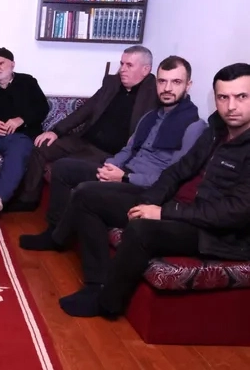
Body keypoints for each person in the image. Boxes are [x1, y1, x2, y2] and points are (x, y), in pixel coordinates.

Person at [59, 63, 250, 319]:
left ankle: (107, 304)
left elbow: (234, 212)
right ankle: (97, 284)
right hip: (178, 206)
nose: (231, 106)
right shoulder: (216, 131)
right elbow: (177, 171)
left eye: (241, 96)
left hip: (216, 233)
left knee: (142, 230)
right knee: (87, 196)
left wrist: (163, 212)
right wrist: (148, 201)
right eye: (223, 97)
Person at [19, 56, 207, 251]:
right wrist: (110, 166)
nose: (167, 88)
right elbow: (128, 149)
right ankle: (53, 229)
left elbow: (172, 177)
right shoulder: (150, 116)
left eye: (176, 82)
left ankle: (57, 239)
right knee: (63, 167)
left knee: (85, 191)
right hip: (124, 171)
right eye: (162, 81)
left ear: (188, 85)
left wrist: (125, 177)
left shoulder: (194, 126)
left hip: (143, 187)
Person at [12, 45, 159, 211]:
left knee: (64, 166)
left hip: (107, 152)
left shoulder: (154, 93)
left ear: (145, 69)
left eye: (129, 65)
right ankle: (28, 199)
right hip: (83, 139)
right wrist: (56, 131)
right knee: (41, 146)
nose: (122, 69)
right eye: (122, 64)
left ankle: (61, 217)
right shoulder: (112, 83)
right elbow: (85, 110)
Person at [0, 48, 49, 217]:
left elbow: (42, 107)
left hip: (19, 135)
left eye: (1, 63)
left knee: (18, 152)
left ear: (12, 64)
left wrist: (21, 119)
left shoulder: (28, 82)